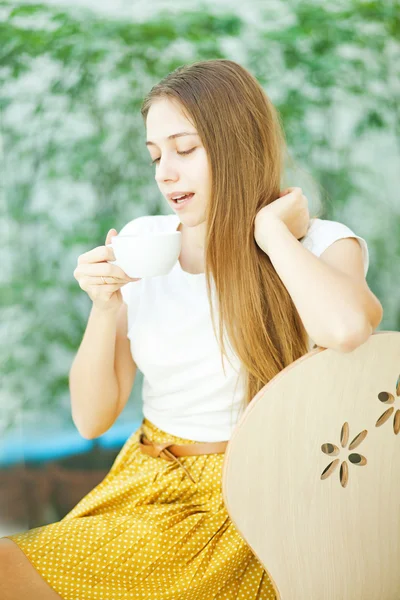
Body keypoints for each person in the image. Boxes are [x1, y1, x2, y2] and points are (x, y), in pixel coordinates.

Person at [0, 58, 380, 599]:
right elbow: (91, 418)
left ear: (236, 144)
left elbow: (346, 330)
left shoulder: (319, 244)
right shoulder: (146, 246)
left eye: (185, 149)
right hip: (141, 477)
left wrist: (271, 233)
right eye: (155, 155)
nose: (164, 172)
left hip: (235, 500)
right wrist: (104, 307)